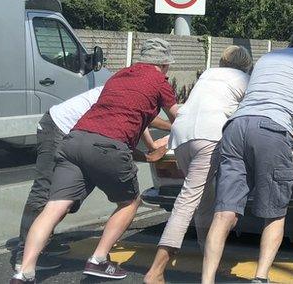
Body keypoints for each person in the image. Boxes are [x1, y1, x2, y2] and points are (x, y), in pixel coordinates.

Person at [10, 38, 179, 283]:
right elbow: (176, 117)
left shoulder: (119, 77)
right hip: (101, 142)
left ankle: (24, 271)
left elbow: (125, 116)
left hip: (74, 138)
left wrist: (150, 149)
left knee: (54, 205)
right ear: (164, 65)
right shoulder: (158, 80)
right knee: (130, 202)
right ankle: (99, 259)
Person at [200, 26, 293, 284]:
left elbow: (263, 103)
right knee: (275, 212)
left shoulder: (267, 59)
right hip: (271, 132)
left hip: (236, 127)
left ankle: (206, 280)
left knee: (224, 212)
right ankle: (260, 278)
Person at [143, 45, 254, 284]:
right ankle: (156, 270)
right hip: (210, 136)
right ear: (247, 64)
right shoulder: (244, 79)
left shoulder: (207, 74)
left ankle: (209, 260)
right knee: (187, 201)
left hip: (182, 135)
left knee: (204, 201)